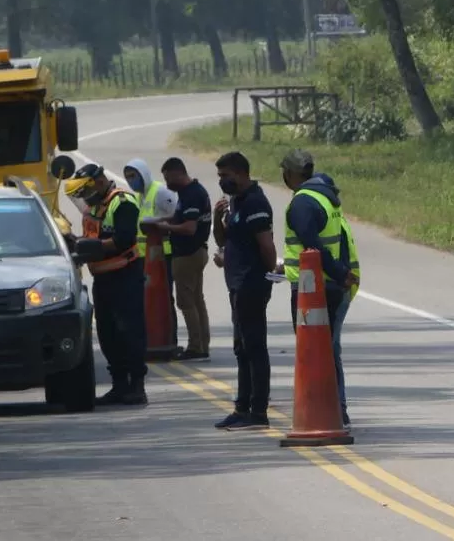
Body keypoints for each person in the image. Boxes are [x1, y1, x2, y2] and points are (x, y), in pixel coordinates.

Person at [276, 156, 360, 426]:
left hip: (316, 288)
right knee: (328, 349)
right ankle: (336, 408)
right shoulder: (325, 197)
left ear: (290, 174)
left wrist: (338, 273)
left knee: (316, 350)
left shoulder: (302, 202)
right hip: (329, 284)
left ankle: (328, 410)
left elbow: (313, 248)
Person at [64, 163, 149, 406]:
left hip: (125, 276)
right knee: (108, 333)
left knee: (129, 331)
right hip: (102, 279)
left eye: (85, 192)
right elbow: (92, 237)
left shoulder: (121, 203)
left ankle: (137, 386)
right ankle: (119, 384)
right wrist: (75, 244)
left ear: (99, 181)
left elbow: (124, 239)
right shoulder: (93, 208)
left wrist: (96, 248)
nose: (83, 198)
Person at [211, 152, 277, 430]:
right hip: (236, 284)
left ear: (240, 173)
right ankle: (241, 407)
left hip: (251, 284)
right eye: (220, 177)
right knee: (241, 349)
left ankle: (258, 411)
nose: (222, 181)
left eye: (225, 176)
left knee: (254, 348)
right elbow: (223, 238)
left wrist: (266, 277)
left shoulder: (255, 202)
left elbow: (267, 246)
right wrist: (217, 218)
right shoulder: (236, 202)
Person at [150, 157, 213, 360]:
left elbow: (189, 227)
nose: (167, 183)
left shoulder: (192, 194)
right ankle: (203, 343)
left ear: (178, 173)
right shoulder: (190, 192)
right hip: (196, 251)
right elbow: (181, 218)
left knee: (186, 302)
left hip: (188, 254)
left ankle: (196, 346)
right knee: (197, 299)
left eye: (168, 178)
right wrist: (163, 220)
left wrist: (164, 228)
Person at [123, 158, 179, 345]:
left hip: (164, 254)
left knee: (165, 298)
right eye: (128, 177)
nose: (131, 181)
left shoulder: (160, 192)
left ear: (143, 174)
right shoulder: (141, 195)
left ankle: (169, 338)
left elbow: (176, 217)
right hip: (145, 257)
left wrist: (155, 223)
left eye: (134, 176)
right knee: (149, 299)